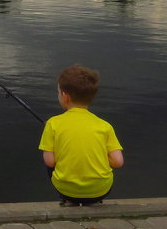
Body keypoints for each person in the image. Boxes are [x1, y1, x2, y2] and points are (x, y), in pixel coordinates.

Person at [39, 64, 124, 205]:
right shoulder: (105, 125)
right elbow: (118, 162)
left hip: (66, 189)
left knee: (49, 161)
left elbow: (50, 162)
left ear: (64, 96)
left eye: (58, 92)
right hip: (101, 190)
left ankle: (67, 197)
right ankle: (93, 197)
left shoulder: (53, 123)